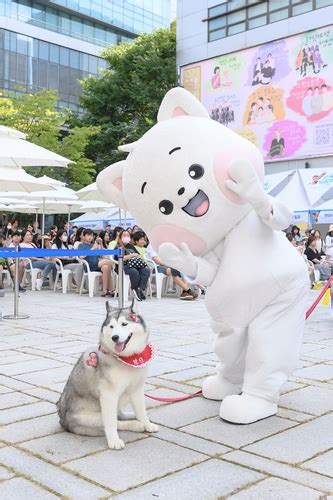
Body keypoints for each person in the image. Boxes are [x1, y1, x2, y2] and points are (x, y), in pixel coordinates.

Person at [114, 229, 150, 301]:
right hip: (123, 266)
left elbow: (138, 255)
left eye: (128, 235)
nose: (126, 237)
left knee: (145, 271)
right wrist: (131, 255)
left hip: (135, 264)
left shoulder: (131, 246)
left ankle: (140, 288)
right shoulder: (117, 247)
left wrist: (139, 256)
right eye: (124, 235)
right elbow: (119, 259)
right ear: (120, 237)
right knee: (134, 272)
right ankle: (135, 288)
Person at [78, 229, 113, 297]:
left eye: (91, 235)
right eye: (88, 235)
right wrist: (92, 249)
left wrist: (101, 244)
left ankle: (104, 291)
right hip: (89, 265)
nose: (90, 237)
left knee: (106, 267)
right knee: (109, 262)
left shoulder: (94, 245)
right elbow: (81, 256)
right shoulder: (81, 245)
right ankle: (111, 288)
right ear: (84, 236)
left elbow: (102, 255)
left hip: (97, 264)